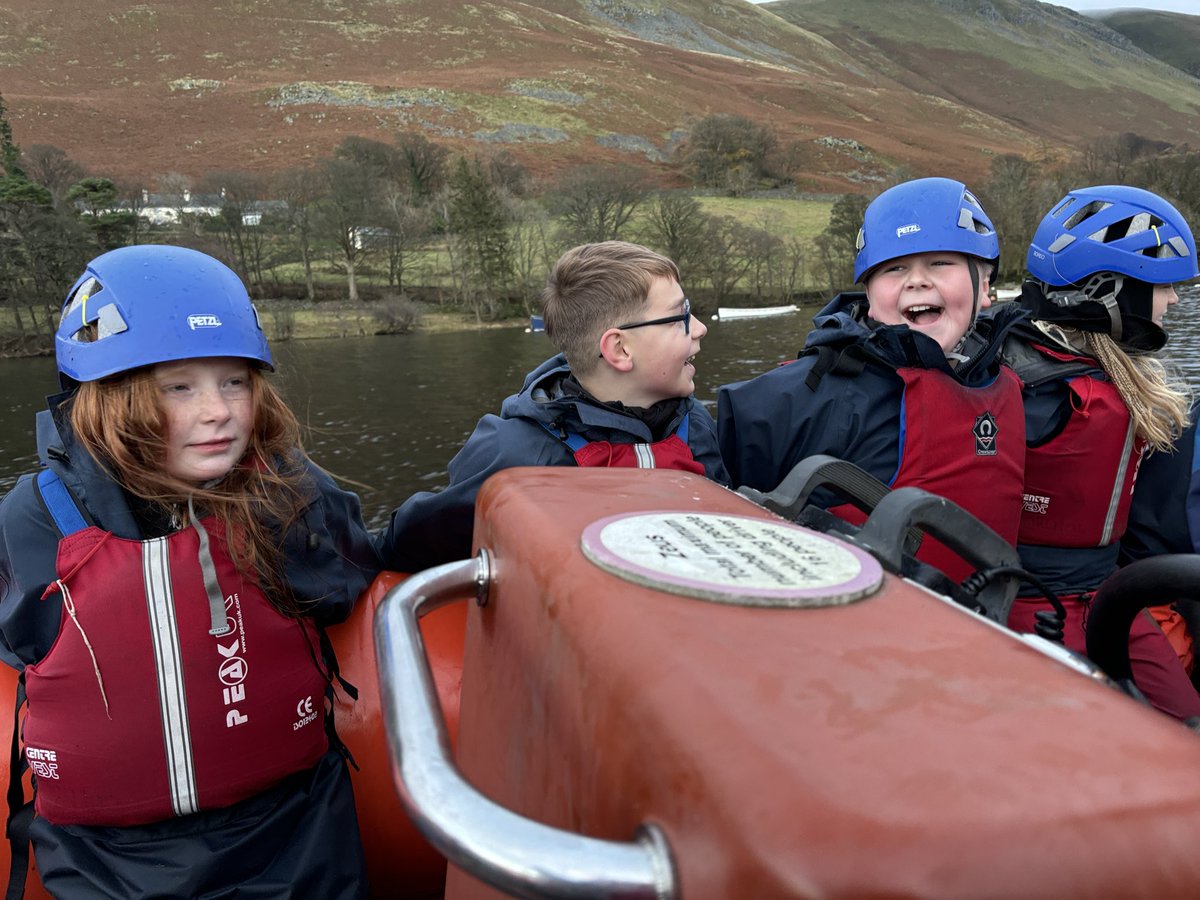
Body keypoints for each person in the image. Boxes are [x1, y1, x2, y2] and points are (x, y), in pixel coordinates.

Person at [0, 245, 382, 897]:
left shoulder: (285, 491)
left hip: (296, 834)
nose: (218, 411)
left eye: (234, 381)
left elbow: (343, 578)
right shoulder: (36, 519)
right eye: (179, 387)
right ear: (108, 396)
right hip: (108, 862)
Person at [717, 177, 1026, 583]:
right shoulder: (795, 398)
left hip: (979, 629)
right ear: (868, 294)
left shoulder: (1015, 383)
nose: (916, 280)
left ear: (985, 287)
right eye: (894, 268)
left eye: (940, 263)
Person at [377, 240, 728, 572]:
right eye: (680, 317)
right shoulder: (513, 457)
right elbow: (405, 545)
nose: (699, 328)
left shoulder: (692, 421)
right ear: (620, 349)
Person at [1001, 184, 1200, 719]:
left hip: (1104, 594)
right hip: (1051, 606)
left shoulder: (1074, 368)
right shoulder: (1037, 393)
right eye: (1162, 287)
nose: (1175, 300)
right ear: (1110, 292)